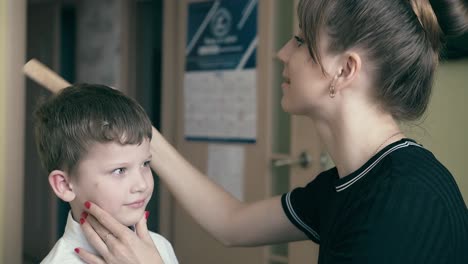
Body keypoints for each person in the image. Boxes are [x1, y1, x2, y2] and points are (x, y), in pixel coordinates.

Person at [77, 0, 468, 263]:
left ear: (345, 70)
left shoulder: (402, 204)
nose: (282, 52)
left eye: (300, 41)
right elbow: (231, 221)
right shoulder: (351, 184)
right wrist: (139, 131)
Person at [34, 84, 178, 264]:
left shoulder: (160, 248)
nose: (142, 185)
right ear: (64, 185)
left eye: (145, 164)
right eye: (119, 170)